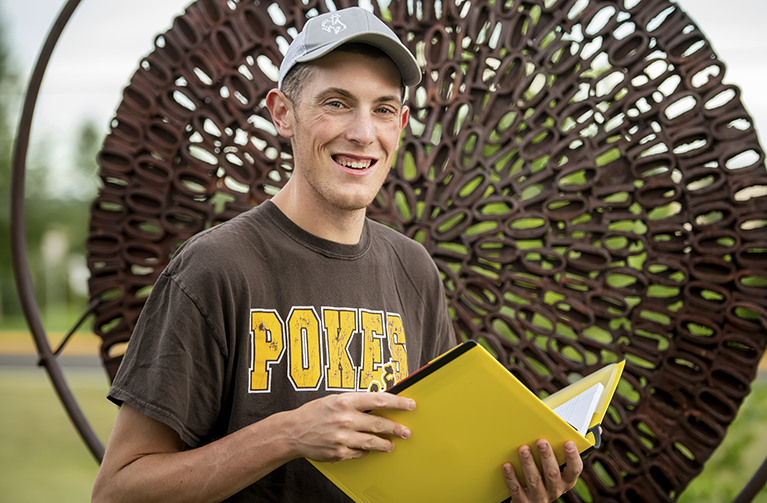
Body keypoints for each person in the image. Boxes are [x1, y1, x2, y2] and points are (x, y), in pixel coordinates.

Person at [91, 7, 582, 503]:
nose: (363, 133)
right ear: (283, 112)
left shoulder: (413, 271)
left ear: (402, 123)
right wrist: (287, 435)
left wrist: (514, 490)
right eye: (337, 103)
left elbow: (430, 477)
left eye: (384, 109)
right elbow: (118, 490)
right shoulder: (215, 269)